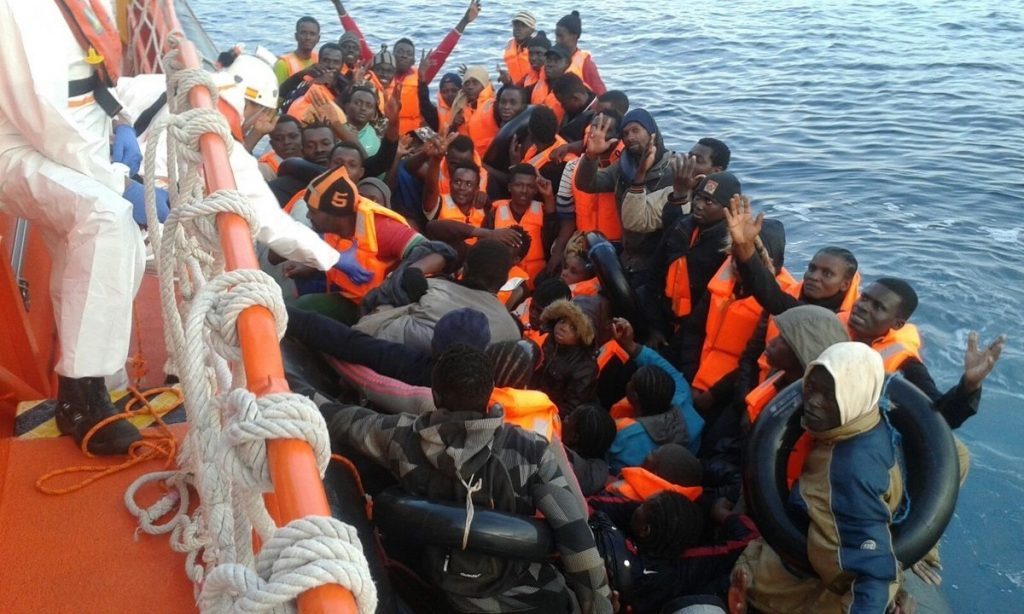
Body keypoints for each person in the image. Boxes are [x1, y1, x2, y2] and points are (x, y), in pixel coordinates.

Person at [327, 345, 614, 613]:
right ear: (490, 393)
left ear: (435, 395)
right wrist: (600, 604)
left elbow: (345, 420)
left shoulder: (401, 437)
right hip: (523, 594)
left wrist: (308, 396)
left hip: (441, 587)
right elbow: (576, 535)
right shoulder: (531, 451)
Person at [0, 0, 150, 454]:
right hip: (15, 145)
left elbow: (90, 75)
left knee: (92, 241)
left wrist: (121, 121)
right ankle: (81, 396)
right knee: (106, 218)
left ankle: (103, 377)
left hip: (59, 143)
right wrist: (120, 183)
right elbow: (48, 116)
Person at [731, 342, 906, 613]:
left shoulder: (846, 474)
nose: (813, 401)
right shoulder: (871, 421)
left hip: (812, 591)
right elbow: (958, 455)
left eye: (829, 395)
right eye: (811, 388)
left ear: (852, 396)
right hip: (809, 553)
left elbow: (872, 573)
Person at [286, 166, 444, 321]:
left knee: (304, 308)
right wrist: (311, 265)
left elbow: (435, 252)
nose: (308, 216)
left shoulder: (382, 228)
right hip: (353, 297)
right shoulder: (334, 225)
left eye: (313, 211)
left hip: (386, 307)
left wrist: (410, 274)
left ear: (334, 214)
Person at [846, 277, 1005, 430]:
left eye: (878, 307)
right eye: (864, 298)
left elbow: (940, 416)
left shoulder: (905, 364)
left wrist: (969, 385)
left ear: (898, 324)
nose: (862, 306)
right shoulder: (835, 322)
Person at [335, 0, 482, 135]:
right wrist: (338, 5)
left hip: (414, 134)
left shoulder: (421, 75)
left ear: (413, 60)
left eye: (408, 54)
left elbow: (444, 50)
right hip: (384, 133)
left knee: (437, 143)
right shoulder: (379, 70)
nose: (404, 56)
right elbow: (358, 39)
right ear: (392, 56)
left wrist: (464, 21)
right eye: (400, 52)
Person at [354, 239, 523, 353]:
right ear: (504, 280)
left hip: (385, 365)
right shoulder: (511, 331)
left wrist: (415, 270)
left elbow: (366, 327)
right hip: (457, 390)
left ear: (464, 269)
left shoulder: (430, 289)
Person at [285, 305, 490, 388]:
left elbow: (348, 342)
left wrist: (287, 315)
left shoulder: (411, 365)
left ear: (434, 345)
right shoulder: (494, 395)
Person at [575, 109, 673, 283]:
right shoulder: (623, 167)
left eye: (636, 130)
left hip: (659, 261)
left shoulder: (673, 169)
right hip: (629, 257)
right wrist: (591, 155)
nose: (630, 137)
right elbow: (587, 184)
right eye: (625, 133)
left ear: (652, 132)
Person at [646, 173, 739, 346]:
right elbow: (654, 275)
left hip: (699, 332)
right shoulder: (680, 227)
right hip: (665, 319)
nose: (698, 205)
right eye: (698, 197)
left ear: (728, 209)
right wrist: (655, 327)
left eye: (709, 201)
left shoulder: (729, 246)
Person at [609, 318, 702, 457]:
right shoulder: (683, 396)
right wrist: (630, 345)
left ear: (633, 395)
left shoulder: (625, 440)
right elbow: (667, 369)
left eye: (631, 381)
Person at [620, 138, 732, 236]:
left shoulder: (726, 204)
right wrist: (640, 173)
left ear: (716, 171)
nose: (688, 163)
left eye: (697, 160)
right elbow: (633, 222)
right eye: (689, 157)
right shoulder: (671, 192)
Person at [534, 299, 598, 416]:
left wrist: (540, 408)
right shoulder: (550, 341)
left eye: (573, 328)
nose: (563, 328)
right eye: (562, 321)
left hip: (550, 414)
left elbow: (570, 408)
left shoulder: (585, 367)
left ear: (582, 336)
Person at [562, 403, 616, 495]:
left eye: (568, 418)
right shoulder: (603, 475)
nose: (564, 419)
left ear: (575, 437)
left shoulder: (558, 460)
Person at [554, 10, 607, 95]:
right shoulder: (549, 57)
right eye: (556, 35)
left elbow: (601, 94)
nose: (556, 40)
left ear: (574, 36)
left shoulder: (586, 64)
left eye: (560, 36)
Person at [274, 16, 320, 84]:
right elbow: (278, 89)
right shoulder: (283, 64)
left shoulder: (319, 59)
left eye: (312, 34)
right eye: (303, 33)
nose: (308, 37)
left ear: (318, 38)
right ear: (296, 36)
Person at [258, 115, 302, 180]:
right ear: (272, 144)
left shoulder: (315, 156)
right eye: (279, 139)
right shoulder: (265, 168)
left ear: (303, 137)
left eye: (293, 136)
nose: (286, 142)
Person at [501, 11, 537, 86]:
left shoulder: (537, 48)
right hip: (512, 85)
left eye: (523, 26)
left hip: (530, 87)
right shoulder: (510, 44)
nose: (518, 28)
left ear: (532, 30)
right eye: (516, 25)